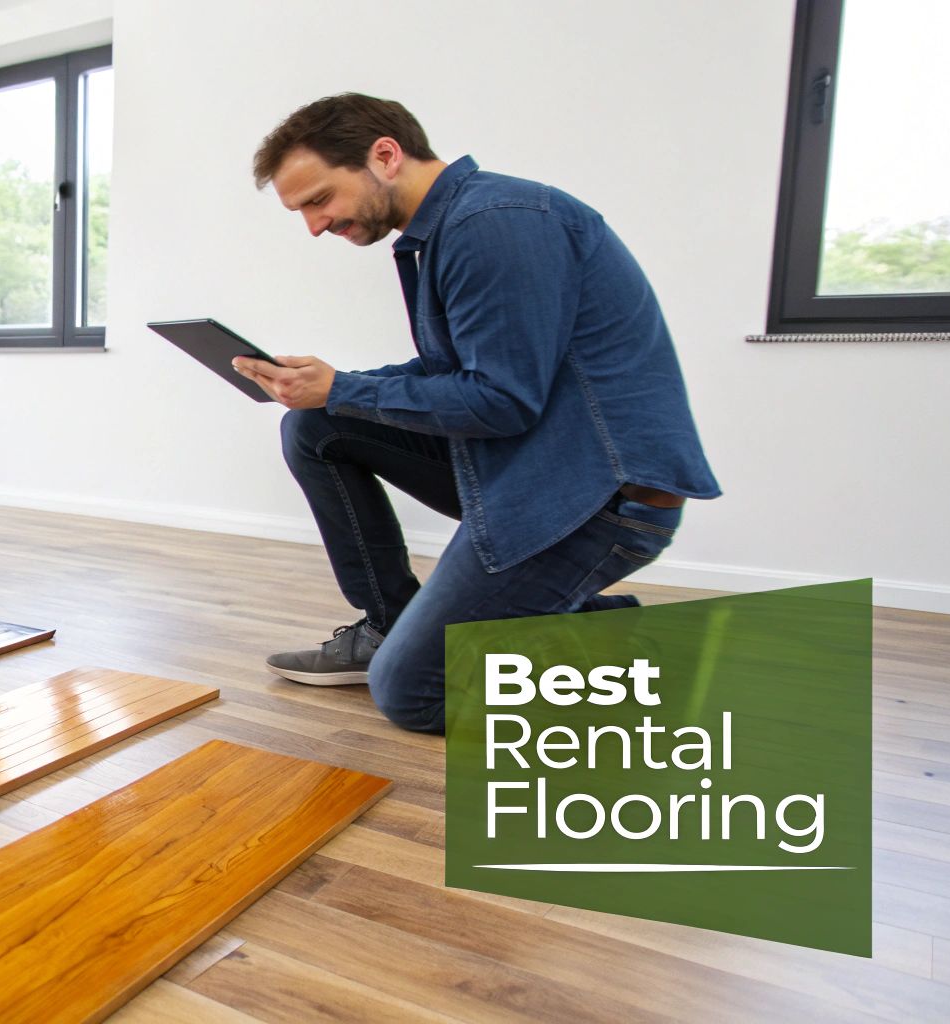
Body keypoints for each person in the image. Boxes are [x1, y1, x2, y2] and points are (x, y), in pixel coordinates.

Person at [233, 93, 719, 734]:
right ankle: (391, 626)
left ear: (385, 156)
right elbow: (455, 373)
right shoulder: (449, 229)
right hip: (532, 469)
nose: (315, 226)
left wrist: (343, 389)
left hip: (596, 498)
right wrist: (329, 388)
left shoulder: (496, 223)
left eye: (319, 199)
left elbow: (500, 400)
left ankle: (625, 654)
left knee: (411, 692)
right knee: (316, 426)